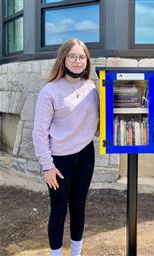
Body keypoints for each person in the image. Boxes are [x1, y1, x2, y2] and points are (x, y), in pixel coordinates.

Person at [32, 39, 99, 256]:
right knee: (59, 211)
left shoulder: (92, 88)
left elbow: (99, 121)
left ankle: (76, 253)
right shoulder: (50, 90)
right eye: (73, 56)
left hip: (86, 155)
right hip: (59, 161)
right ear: (64, 59)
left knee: (79, 208)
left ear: (86, 61)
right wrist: (47, 166)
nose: (77, 61)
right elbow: (39, 132)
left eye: (81, 57)